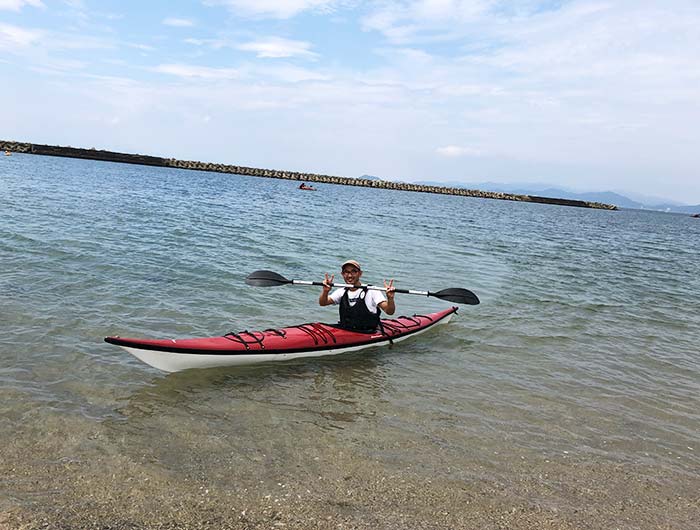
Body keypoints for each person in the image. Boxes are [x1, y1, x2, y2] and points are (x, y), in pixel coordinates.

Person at [319, 259, 395, 332]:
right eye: (346, 272)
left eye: (354, 271)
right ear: (342, 274)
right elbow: (323, 303)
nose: (349, 275)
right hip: (346, 330)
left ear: (360, 273)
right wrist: (325, 291)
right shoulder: (341, 291)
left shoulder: (372, 290)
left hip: (367, 332)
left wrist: (390, 298)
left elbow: (389, 311)